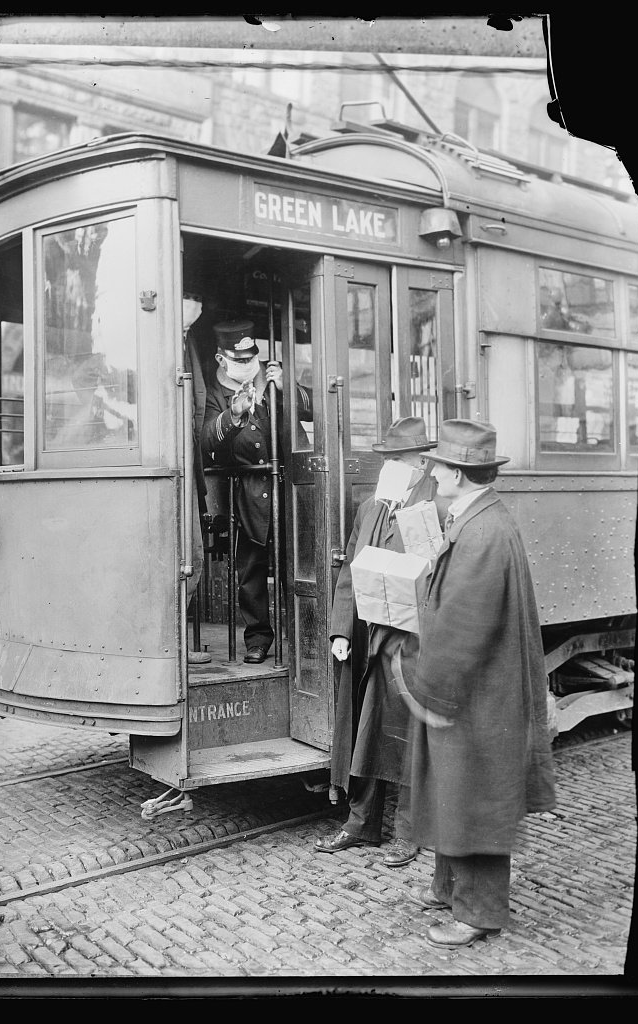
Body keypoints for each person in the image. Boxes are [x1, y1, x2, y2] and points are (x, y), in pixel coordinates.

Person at [399, 418, 556, 948]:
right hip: (478, 688)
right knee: (458, 789)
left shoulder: (482, 529)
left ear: (460, 474)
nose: (431, 470)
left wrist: (432, 691)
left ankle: (477, 912)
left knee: (478, 796)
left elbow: (466, 622)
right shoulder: (480, 517)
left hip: (476, 693)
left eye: (438, 464)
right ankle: (450, 889)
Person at [313, 417, 449, 867]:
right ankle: (361, 822)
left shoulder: (437, 507)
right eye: (386, 458)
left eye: (398, 459)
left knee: (410, 732)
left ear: (422, 463)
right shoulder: (372, 506)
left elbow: (442, 578)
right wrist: (338, 629)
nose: (388, 465)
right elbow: (351, 570)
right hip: (367, 638)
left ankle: (410, 830)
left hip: (412, 642)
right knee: (366, 731)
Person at [201, 319, 313, 664]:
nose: (248, 365)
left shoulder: (273, 375)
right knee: (251, 572)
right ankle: (259, 638)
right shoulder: (216, 392)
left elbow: (311, 410)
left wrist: (287, 388)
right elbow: (206, 440)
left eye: (251, 358)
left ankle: (304, 635)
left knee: (298, 566)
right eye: (239, 360)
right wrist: (233, 415)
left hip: (290, 487)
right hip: (248, 492)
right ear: (222, 360)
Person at [182, 286, 212, 664]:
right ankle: (174, 644)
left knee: (194, 555)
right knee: (187, 554)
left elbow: (198, 399)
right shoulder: (174, 340)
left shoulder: (185, 340)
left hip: (187, 456)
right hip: (177, 456)